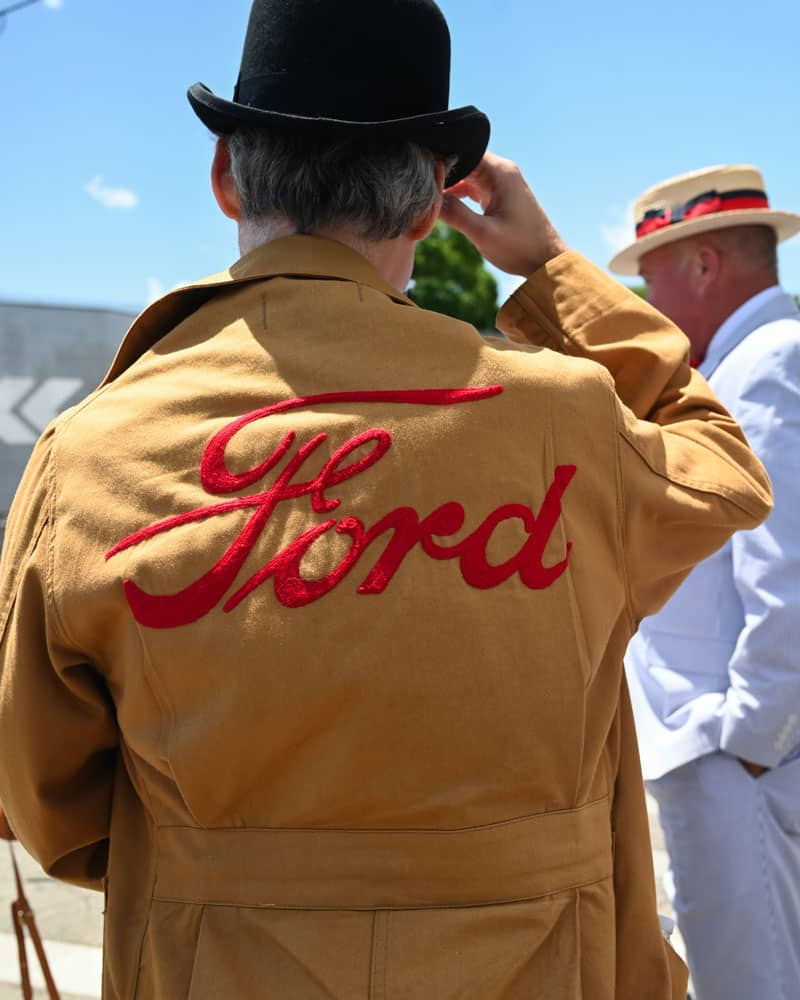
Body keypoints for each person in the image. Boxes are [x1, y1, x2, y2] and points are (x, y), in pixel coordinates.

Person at [0, 3, 771, 997]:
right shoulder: (565, 419)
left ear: (227, 176)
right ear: (426, 208)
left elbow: (49, 798)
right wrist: (548, 268)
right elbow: (722, 464)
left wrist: (235, 874)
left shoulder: (90, 453)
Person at [612, 165, 800, 1000]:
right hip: (738, 751)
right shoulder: (756, 357)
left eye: (649, 276)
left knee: (749, 984)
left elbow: (787, 568)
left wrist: (755, 734)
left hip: (741, 757)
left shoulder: (765, 362)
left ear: (702, 264)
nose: (645, 301)